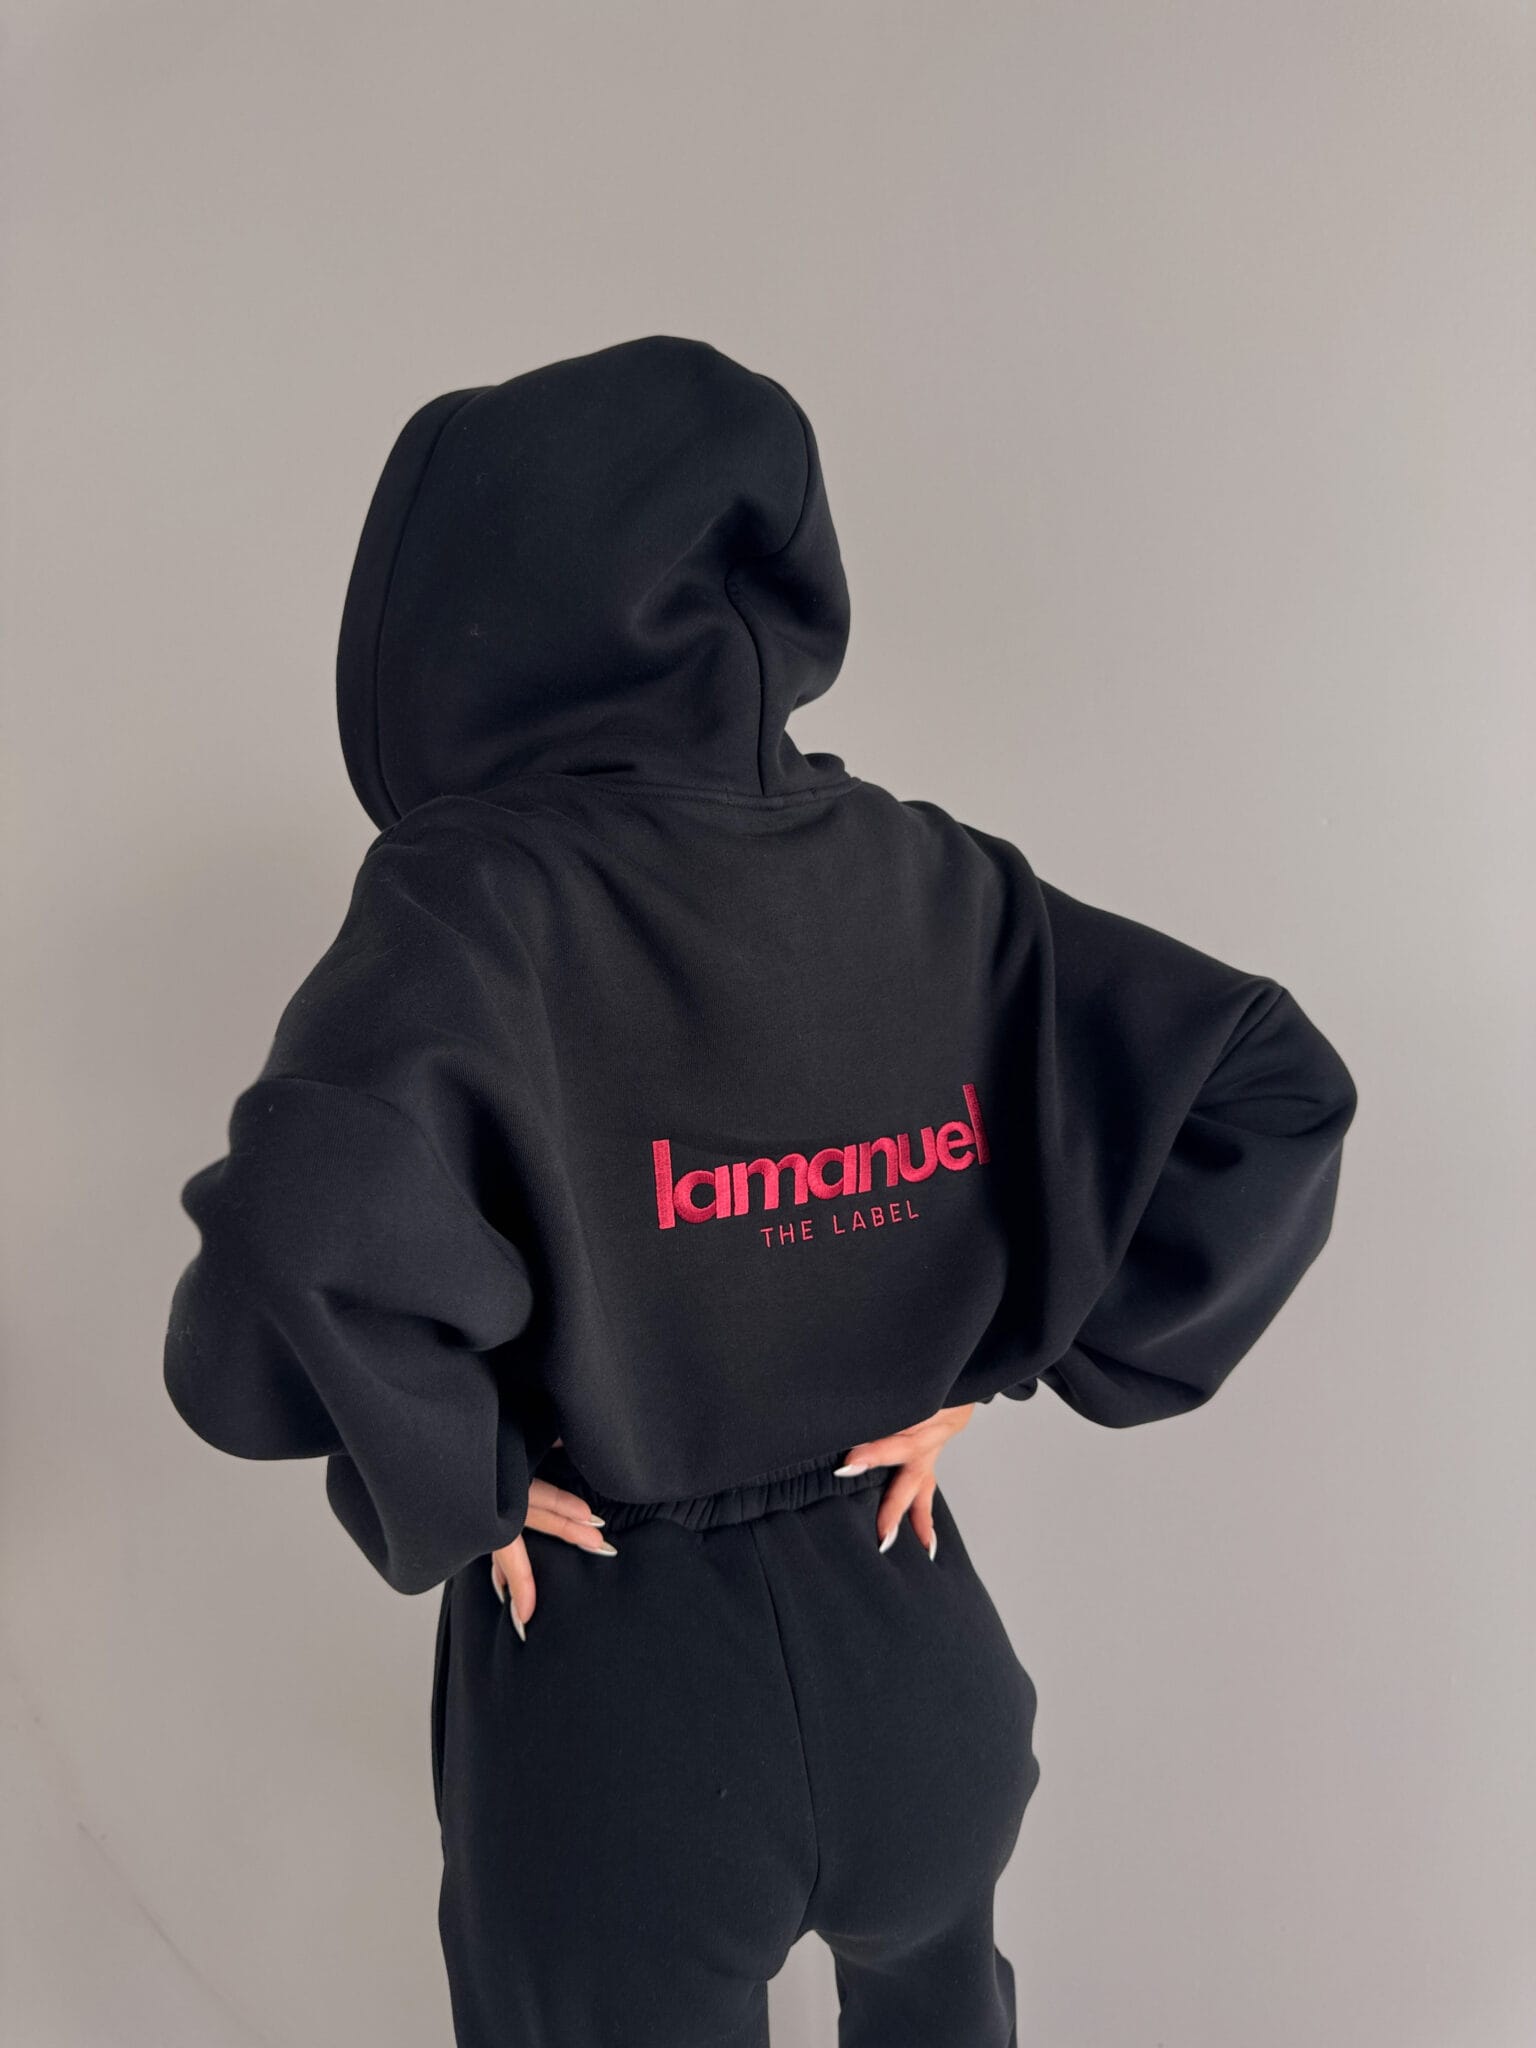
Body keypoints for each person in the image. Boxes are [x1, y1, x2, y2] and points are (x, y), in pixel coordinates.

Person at [162, 333, 1359, 2048]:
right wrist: (1003, 1363)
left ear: (460, 596)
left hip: (621, 1690)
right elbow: (1269, 1081)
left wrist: (456, 1482)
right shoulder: (930, 871)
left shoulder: (470, 900)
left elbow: (292, 1237)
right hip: (917, 1647)